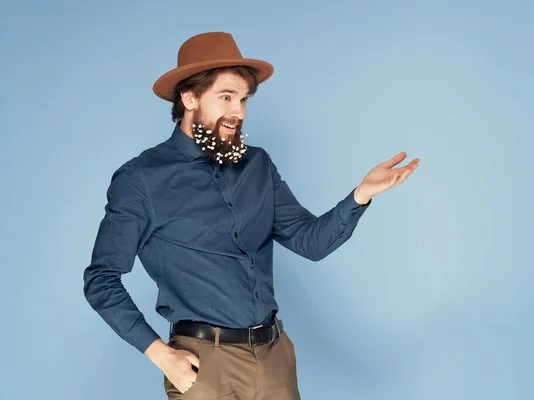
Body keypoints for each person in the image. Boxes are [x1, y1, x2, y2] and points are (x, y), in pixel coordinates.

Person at [82, 31, 419, 400]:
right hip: (204, 367)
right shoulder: (142, 178)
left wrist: (361, 195)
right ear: (189, 97)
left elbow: (311, 242)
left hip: (275, 357)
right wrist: (158, 353)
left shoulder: (257, 165)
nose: (238, 111)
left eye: (243, 99)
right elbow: (101, 278)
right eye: (226, 97)